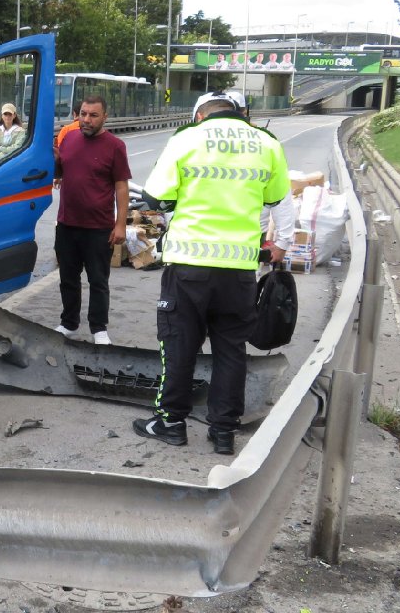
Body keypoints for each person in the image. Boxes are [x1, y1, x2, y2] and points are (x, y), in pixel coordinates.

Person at [132, 91, 290, 456]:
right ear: (236, 113)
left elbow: (156, 197)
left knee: (179, 344)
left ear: (200, 115)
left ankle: (171, 423)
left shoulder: (186, 137)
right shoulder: (266, 142)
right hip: (238, 271)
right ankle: (223, 432)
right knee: (231, 350)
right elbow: (275, 196)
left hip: (189, 265)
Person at [52, 95, 131, 346]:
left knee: (98, 280)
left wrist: (120, 224)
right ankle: (69, 323)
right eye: (83, 114)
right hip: (67, 224)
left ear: (104, 117)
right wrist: (54, 162)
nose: (86, 119)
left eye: (93, 115)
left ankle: (99, 328)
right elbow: (60, 174)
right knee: (68, 278)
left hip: (98, 228)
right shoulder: (69, 139)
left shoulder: (115, 146)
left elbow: (121, 187)